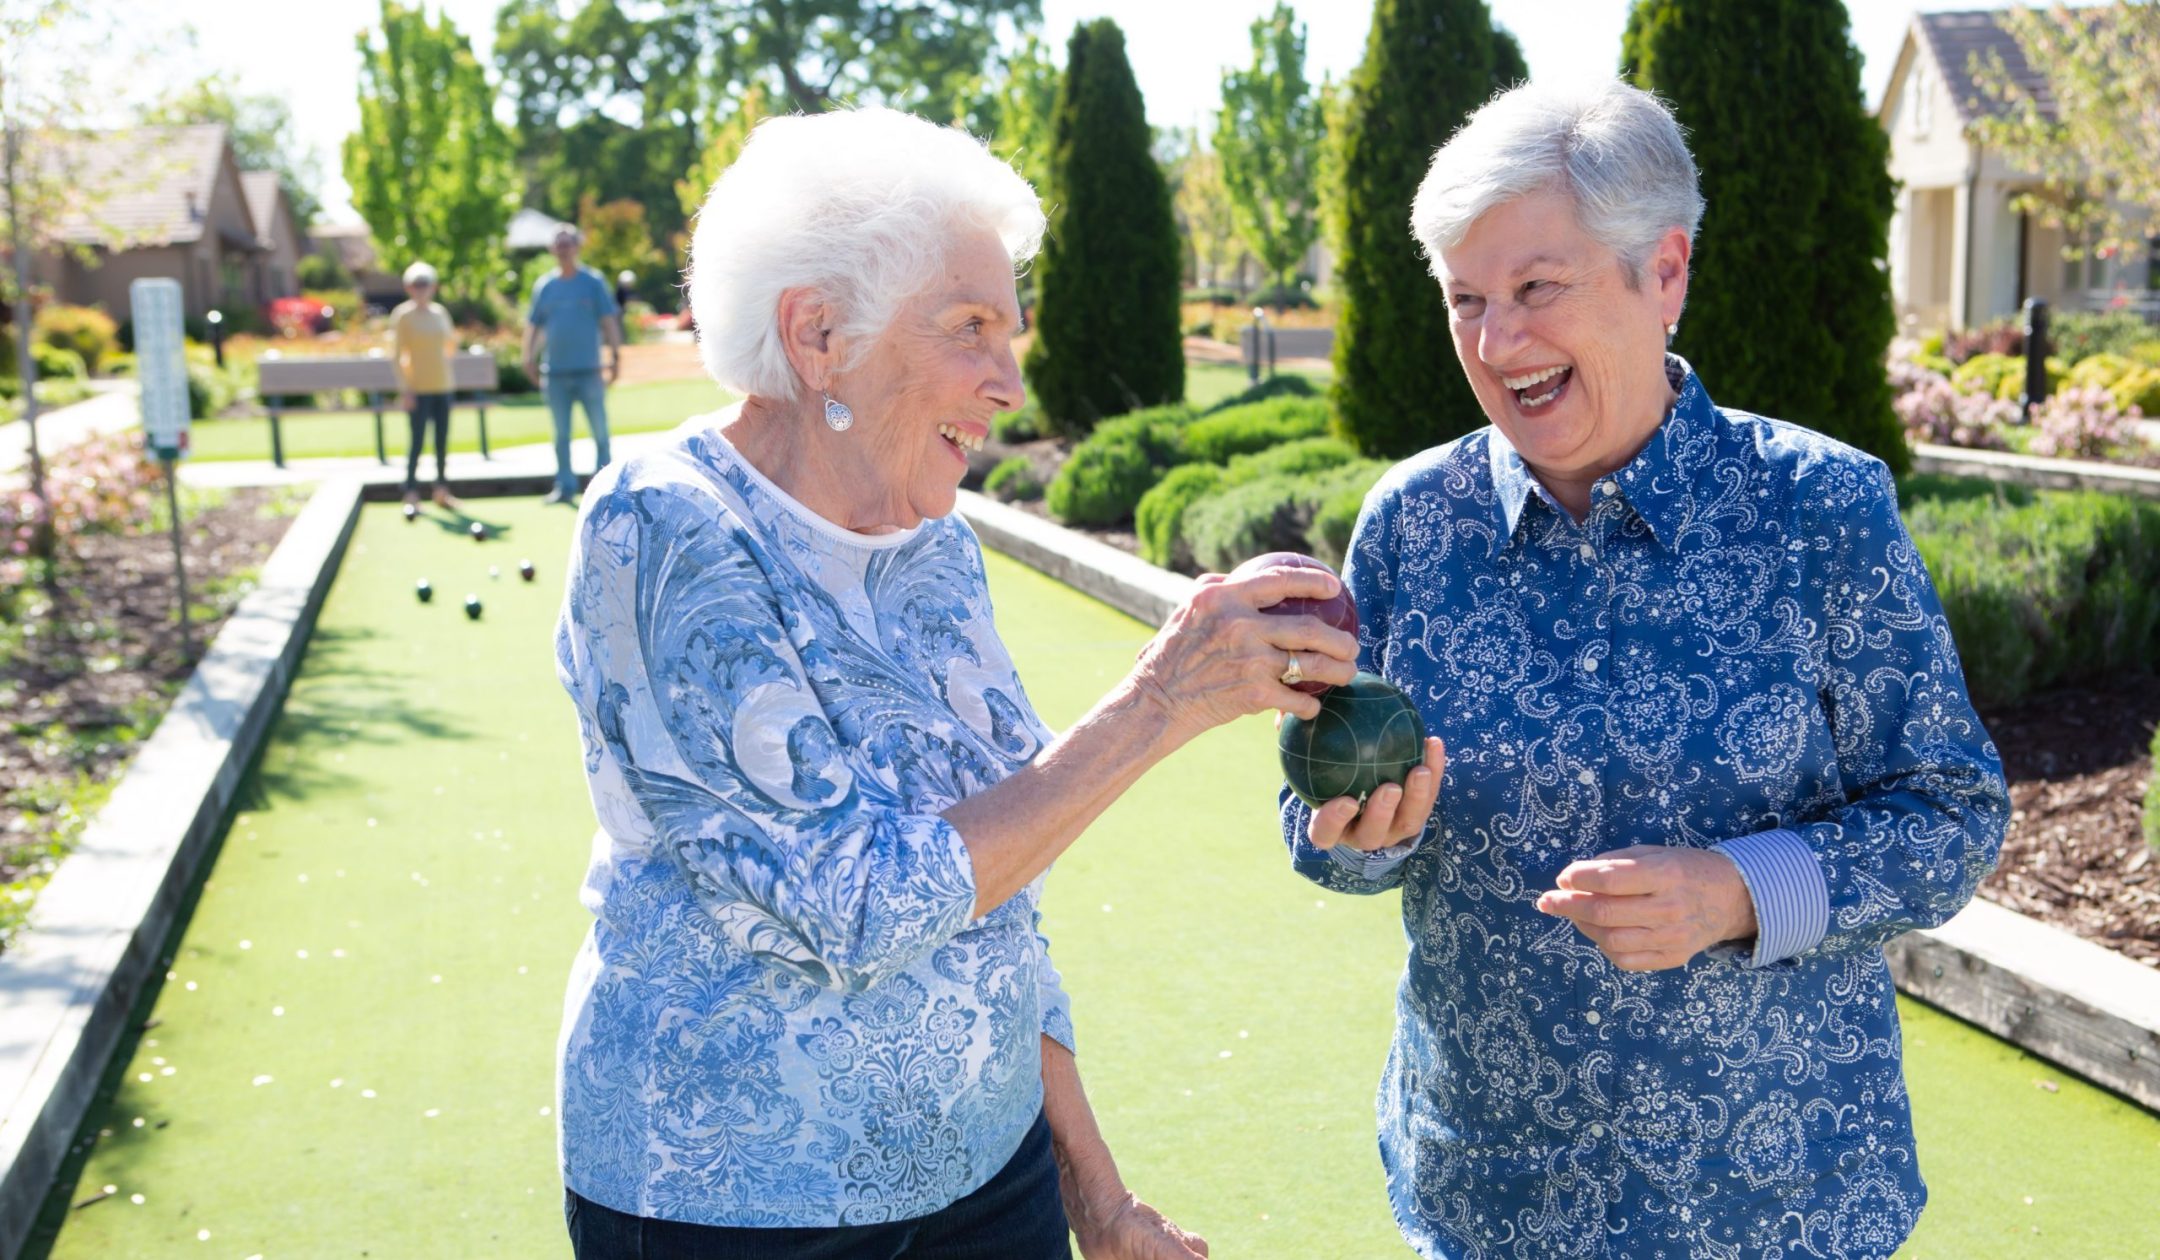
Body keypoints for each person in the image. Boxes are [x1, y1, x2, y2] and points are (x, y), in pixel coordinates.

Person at [554, 106, 1368, 1259]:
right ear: (819, 332)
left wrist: (1096, 1195)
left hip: (994, 1180)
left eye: (1011, 331)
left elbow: (1000, 893)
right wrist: (1158, 702)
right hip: (745, 1209)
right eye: (971, 327)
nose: (1008, 379)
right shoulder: (666, 525)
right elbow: (859, 902)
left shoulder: (935, 542)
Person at [1281, 80, 2009, 1259]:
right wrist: (1366, 838)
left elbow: (1953, 814)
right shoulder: (1412, 523)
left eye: (1535, 289)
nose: (1494, 342)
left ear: (1663, 272)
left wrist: (1734, 889)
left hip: (1780, 1199)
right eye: (1464, 300)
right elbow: (1319, 823)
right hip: (1495, 1195)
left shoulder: (1819, 508)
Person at [524, 225, 622, 504]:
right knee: (561, 435)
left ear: (577, 247)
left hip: (589, 372)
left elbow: (608, 320)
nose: (564, 249)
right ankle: (564, 486)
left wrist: (615, 356)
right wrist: (528, 357)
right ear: (552, 250)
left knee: (600, 432)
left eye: (568, 244)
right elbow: (534, 325)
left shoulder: (593, 282)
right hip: (555, 373)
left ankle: (606, 487)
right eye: (559, 244)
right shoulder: (545, 286)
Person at [390, 260, 456, 507]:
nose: (421, 289)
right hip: (417, 390)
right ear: (409, 288)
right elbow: (396, 355)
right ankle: (410, 491)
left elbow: (450, 344)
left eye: (425, 284)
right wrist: (405, 388)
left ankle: (441, 490)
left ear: (433, 287)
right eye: (416, 285)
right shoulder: (403, 316)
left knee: (441, 441)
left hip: (442, 386)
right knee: (416, 441)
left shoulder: (440, 313)